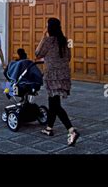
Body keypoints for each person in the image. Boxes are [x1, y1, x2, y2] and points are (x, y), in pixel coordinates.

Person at [35, 17, 80, 146]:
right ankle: (49, 128)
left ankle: (71, 130)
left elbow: (37, 53)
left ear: (49, 28)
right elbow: (69, 57)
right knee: (53, 102)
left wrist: (43, 37)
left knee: (55, 105)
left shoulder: (48, 41)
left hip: (52, 76)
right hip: (63, 75)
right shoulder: (64, 41)